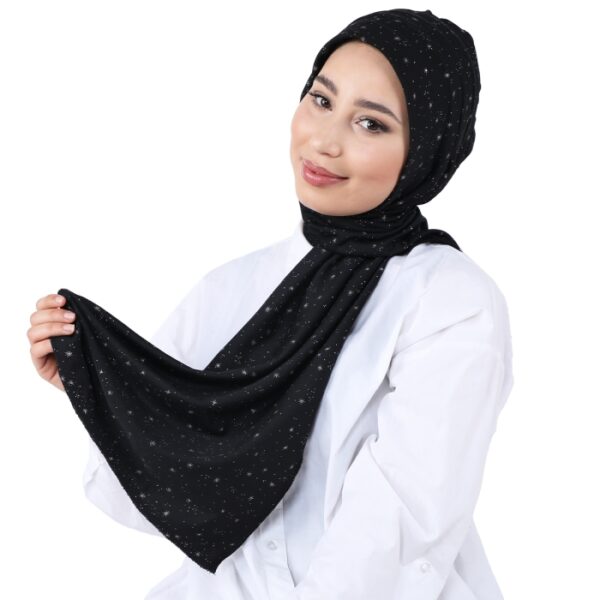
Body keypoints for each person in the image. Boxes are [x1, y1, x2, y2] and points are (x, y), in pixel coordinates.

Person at [27, 8, 513, 600]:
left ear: (427, 150)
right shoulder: (231, 287)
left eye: (371, 124)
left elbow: (401, 523)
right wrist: (101, 388)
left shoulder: (448, 301)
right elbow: (175, 501)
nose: (324, 141)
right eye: (321, 100)